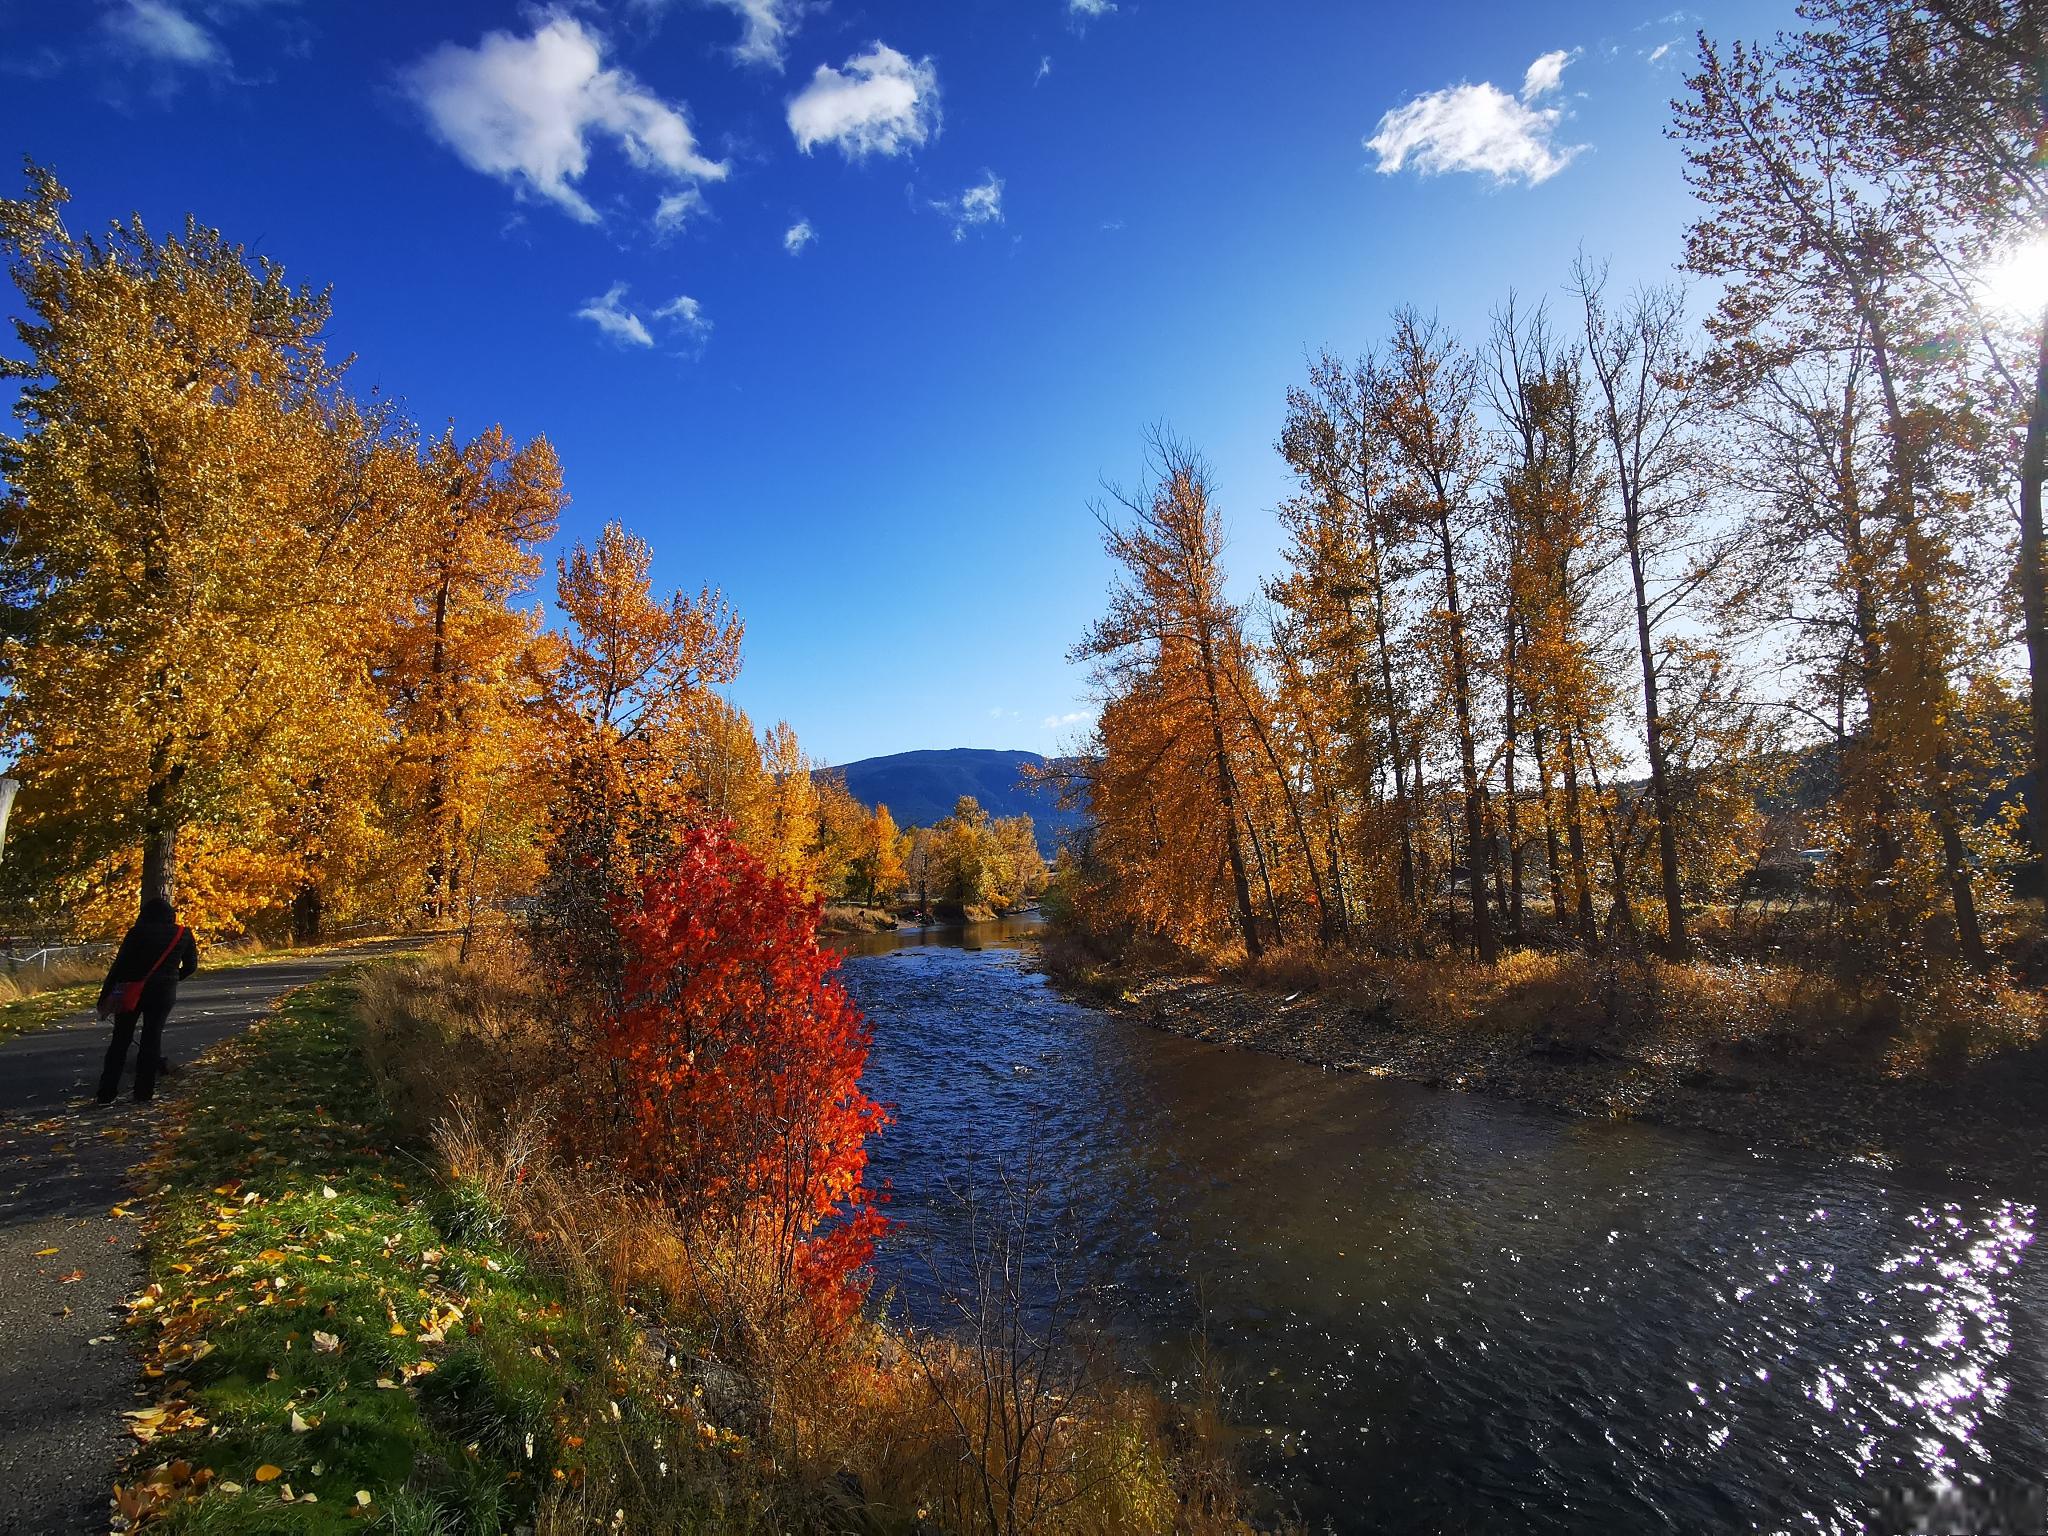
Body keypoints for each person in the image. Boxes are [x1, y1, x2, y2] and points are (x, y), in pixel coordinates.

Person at [95, 896, 199, 1104]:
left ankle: (107, 1093)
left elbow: (119, 966)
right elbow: (191, 965)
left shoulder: (137, 933)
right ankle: (144, 1092)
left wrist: (105, 996)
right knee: (152, 1038)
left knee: (121, 1040)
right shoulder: (182, 934)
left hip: (131, 990)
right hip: (163, 993)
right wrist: (173, 977)